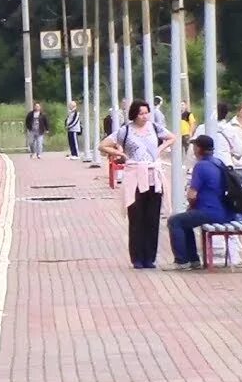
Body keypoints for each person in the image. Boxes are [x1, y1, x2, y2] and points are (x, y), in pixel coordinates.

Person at [99, 99, 176, 269]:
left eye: (146, 113)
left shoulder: (155, 128)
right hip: (134, 176)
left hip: (152, 177)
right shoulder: (125, 131)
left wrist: (160, 150)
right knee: (136, 217)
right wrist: (121, 154)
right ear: (134, 114)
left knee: (152, 218)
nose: (144, 116)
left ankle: (150, 257)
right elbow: (103, 145)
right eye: (141, 113)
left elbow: (171, 137)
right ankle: (137, 258)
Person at [166, 135, 233, 270]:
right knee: (186, 221)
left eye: (195, 146)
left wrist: (191, 205)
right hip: (225, 211)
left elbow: (192, 194)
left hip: (209, 212)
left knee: (174, 221)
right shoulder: (218, 162)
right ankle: (193, 260)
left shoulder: (201, 166)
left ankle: (182, 261)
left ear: (198, 149)